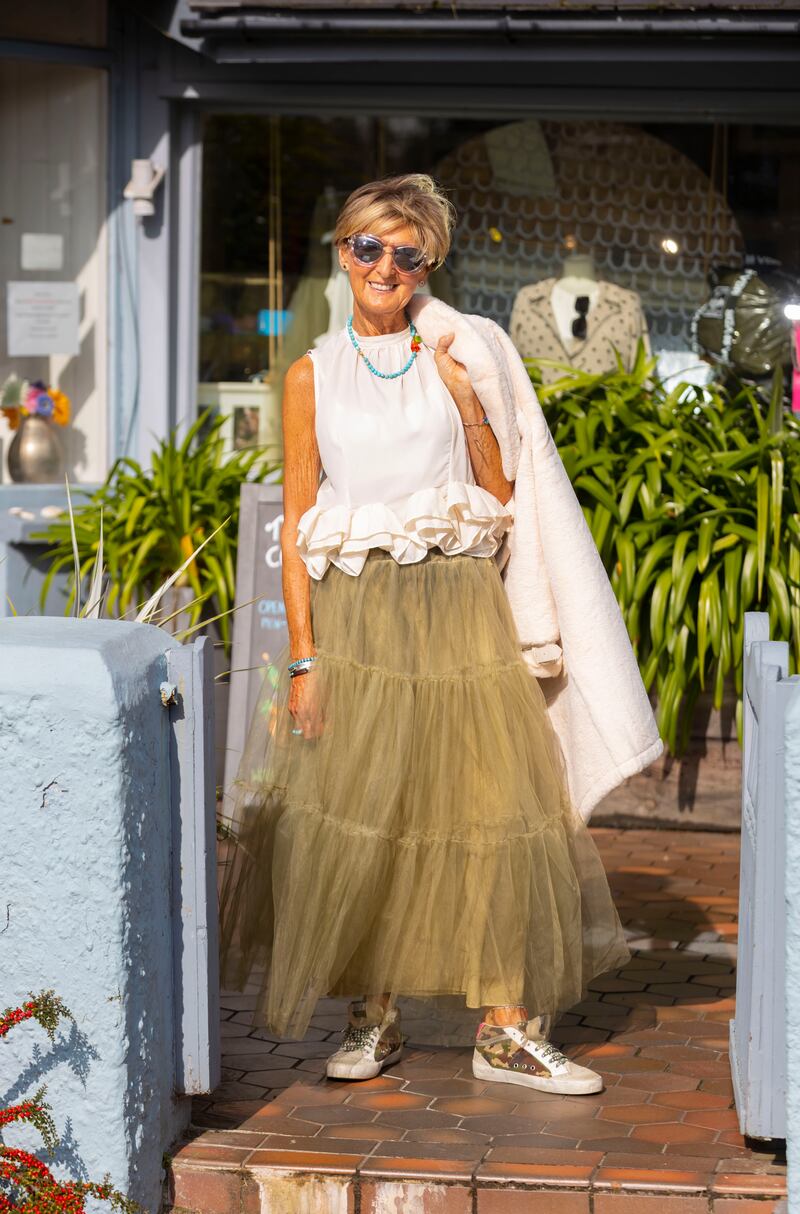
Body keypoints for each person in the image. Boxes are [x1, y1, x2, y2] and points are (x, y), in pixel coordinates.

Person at [219, 174, 635, 1096]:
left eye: (408, 254)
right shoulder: (309, 375)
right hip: (359, 621)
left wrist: (468, 396)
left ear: (427, 266)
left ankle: (507, 1028)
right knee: (368, 822)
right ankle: (376, 1016)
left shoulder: (460, 351)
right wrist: (303, 661)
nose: (386, 267)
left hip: (458, 614)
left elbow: (499, 494)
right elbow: (296, 528)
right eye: (369, 247)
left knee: (496, 816)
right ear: (342, 250)